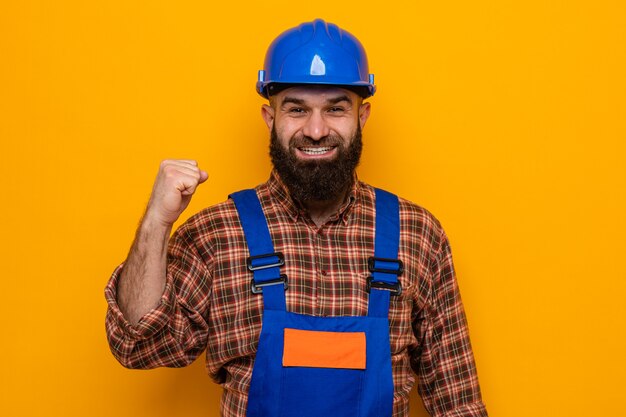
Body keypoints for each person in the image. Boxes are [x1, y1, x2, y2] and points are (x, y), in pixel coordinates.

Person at [105, 19, 488, 417]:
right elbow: (137, 345)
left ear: (363, 117)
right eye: (297, 109)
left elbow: (457, 403)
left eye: (336, 109)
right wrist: (156, 221)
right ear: (271, 120)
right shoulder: (217, 234)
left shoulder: (417, 234)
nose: (317, 129)